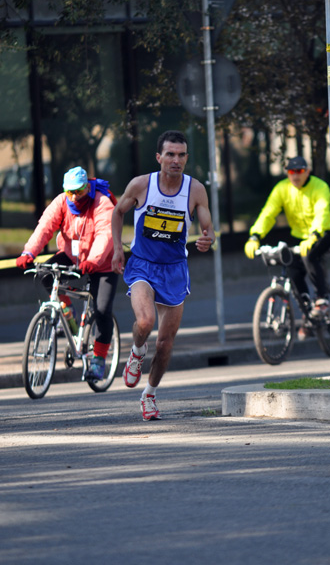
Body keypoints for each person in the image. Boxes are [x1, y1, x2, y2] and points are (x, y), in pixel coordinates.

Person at [112, 130, 215, 421]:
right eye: (170, 154)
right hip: (143, 264)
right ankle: (136, 350)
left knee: (166, 342)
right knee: (145, 322)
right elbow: (118, 213)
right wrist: (118, 249)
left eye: (181, 155)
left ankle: (150, 395)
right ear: (159, 157)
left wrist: (208, 239)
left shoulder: (195, 190)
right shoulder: (142, 185)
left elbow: (208, 228)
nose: (176, 160)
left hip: (174, 270)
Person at [16, 166, 118, 380]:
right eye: (69, 191)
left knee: (101, 311)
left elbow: (105, 235)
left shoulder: (101, 203)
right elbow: (44, 227)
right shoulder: (61, 201)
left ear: (87, 188)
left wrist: (93, 260)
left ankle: (98, 360)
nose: (74, 196)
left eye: (79, 191)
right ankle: (66, 313)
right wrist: (28, 252)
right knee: (44, 274)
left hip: (103, 263)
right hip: (72, 257)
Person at [244, 156, 330, 338]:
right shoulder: (282, 188)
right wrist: (255, 235)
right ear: (287, 173)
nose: (295, 175)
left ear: (307, 171)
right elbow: (268, 213)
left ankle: (322, 299)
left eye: (300, 171)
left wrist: (314, 235)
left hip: (323, 232)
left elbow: (322, 212)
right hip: (298, 236)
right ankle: (308, 313)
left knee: (310, 256)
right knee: (292, 271)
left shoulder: (320, 187)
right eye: (291, 172)